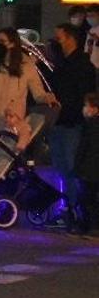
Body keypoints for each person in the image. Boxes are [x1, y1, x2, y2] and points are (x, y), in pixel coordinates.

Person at [47, 22, 97, 220]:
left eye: (59, 38)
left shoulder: (83, 64)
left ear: (71, 39)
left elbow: (85, 95)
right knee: (60, 167)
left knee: (71, 167)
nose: (56, 42)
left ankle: (77, 208)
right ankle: (67, 205)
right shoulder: (61, 63)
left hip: (73, 123)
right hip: (58, 121)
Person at [0, 28, 55, 147]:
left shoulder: (26, 65)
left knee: (9, 156)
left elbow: (37, 92)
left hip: (14, 121)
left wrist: (47, 98)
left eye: (2, 41)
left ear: (12, 43)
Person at [73, 93, 99, 234]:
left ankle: (87, 227)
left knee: (86, 199)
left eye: (87, 106)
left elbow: (84, 147)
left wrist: (78, 166)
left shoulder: (90, 126)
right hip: (94, 168)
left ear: (95, 109)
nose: (85, 109)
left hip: (89, 170)